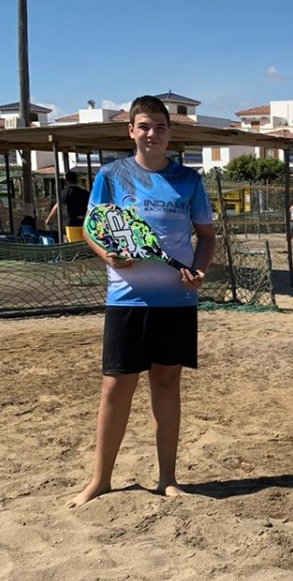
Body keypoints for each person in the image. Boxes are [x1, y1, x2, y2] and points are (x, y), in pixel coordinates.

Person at [66, 95, 215, 509]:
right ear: (131, 130)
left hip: (176, 303)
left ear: (170, 132)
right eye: (145, 126)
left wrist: (199, 271)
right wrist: (107, 255)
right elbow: (94, 228)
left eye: (160, 127)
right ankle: (101, 480)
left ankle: (167, 478)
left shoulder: (189, 181)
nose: (152, 134)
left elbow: (207, 237)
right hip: (125, 299)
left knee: (166, 385)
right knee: (116, 387)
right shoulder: (113, 176)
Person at [45, 171, 90, 243]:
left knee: (74, 245)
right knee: (84, 245)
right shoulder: (85, 193)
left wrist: (49, 219)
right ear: (77, 180)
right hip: (85, 223)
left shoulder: (67, 191)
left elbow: (57, 206)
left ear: (66, 181)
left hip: (72, 223)